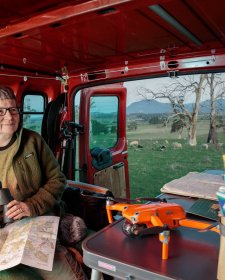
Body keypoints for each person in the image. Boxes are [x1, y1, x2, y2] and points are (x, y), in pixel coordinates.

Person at [0, 86, 87, 280]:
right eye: (1, 111)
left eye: (13, 109)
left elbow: (58, 179)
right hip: (11, 234)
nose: (9, 117)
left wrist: (30, 206)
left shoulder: (32, 141)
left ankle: (65, 248)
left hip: (45, 219)